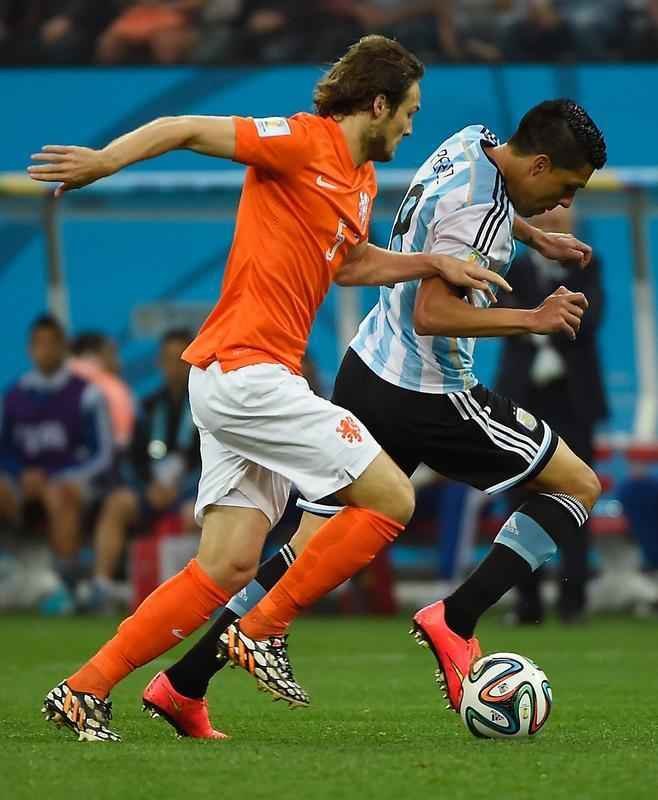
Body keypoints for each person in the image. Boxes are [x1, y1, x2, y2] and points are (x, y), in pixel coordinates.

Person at [29, 35, 512, 742]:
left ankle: (86, 689)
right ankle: (260, 631)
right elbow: (184, 126)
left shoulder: (362, 179)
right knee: (392, 495)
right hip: (245, 373)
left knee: (225, 563)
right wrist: (105, 160)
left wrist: (434, 264)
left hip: (244, 377)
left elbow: (348, 266)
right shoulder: (301, 141)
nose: (412, 125)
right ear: (376, 104)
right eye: (408, 110)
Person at [151, 99, 605, 738]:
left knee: (310, 549)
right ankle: (458, 617)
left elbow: (465, 212)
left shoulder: (472, 139)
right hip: (430, 391)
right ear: (538, 165)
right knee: (578, 485)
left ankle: (183, 682)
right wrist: (533, 320)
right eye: (565, 188)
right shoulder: (486, 214)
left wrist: (536, 237)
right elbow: (435, 313)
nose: (563, 203)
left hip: (369, 366)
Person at [494, 206, 607, 623]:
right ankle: (527, 600)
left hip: (573, 401)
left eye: (564, 214)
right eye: (547, 214)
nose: (556, 220)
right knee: (521, 495)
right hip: (523, 400)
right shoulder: (514, 267)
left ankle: (574, 597)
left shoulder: (589, 269)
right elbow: (499, 314)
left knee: (578, 495)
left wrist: (546, 337)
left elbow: (591, 319)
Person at [79, 329, 199, 613]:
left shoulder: (210, 406)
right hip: (153, 493)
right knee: (118, 503)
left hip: (193, 494)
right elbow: (132, 461)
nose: (174, 367)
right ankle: (102, 586)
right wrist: (149, 488)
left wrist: (183, 490)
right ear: (159, 363)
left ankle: (199, 596)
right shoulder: (147, 407)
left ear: (194, 361)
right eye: (168, 360)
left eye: (181, 359)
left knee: (199, 514)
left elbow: (215, 462)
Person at [0, 315, 114, 600]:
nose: (45, 351)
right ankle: (11, 568)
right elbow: (4, 449)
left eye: (51, 344)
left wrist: (53, 476)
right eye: (38, 344)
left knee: (59, 495)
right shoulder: (14, 395)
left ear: (63, 347)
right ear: (29, 349)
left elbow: (102, 454)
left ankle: (66, 584)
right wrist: (21, 475)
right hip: (23, 481)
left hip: (72, 480)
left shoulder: (86, 394)